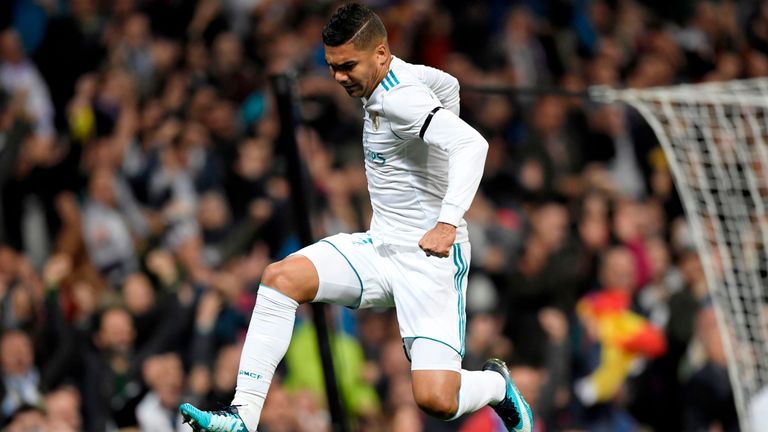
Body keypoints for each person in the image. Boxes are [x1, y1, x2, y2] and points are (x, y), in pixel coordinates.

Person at [179, 3, 533, 432]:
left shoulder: (402, 100)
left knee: (436, 400)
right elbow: (450, 83)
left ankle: (496, 385)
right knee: (280, 278)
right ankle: (242, 418)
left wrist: (447, 220)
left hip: (429, 261)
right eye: (331, 67)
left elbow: (472, 146)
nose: (339, 77)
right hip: (381, 247)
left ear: (381, 54)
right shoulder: (401, 80)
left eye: (348, 66)